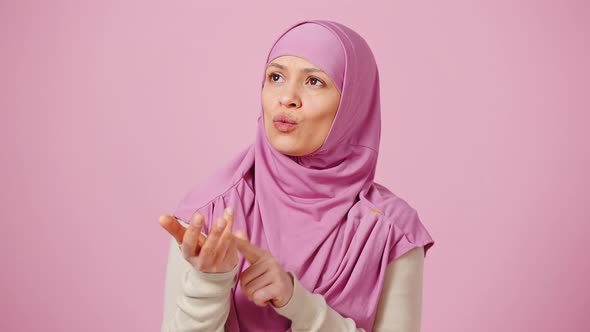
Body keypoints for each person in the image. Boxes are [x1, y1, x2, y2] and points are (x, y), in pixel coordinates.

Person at [158, 19, 435, 332]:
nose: (286, 97)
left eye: (314, 81)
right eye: (275, 77)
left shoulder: (390, 232)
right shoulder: (209, 212)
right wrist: (209, 285)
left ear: (353, 102)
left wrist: (300, 304)